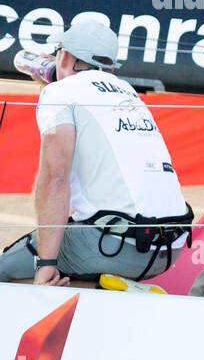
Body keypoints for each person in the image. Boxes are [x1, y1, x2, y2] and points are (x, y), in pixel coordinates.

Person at [0, 22, 191, 286]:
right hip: (170, 247)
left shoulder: (60, 93)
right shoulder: (128, 92)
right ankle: (101, 289)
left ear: (64, 57)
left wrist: (45, 264)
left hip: (116, 246)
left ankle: (95, 289)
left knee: (7, 271)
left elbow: (55, 180)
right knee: (67, 266)